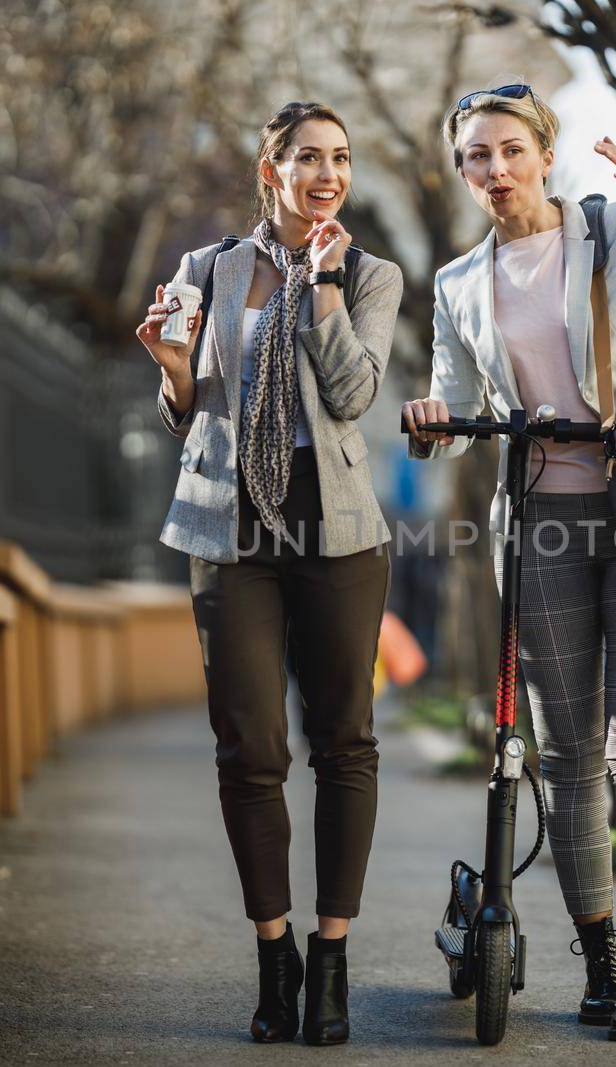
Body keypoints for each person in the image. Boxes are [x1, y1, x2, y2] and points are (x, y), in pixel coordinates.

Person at [401, 83, 616, 1041]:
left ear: (544, 152)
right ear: (461, 170)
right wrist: (430, 425)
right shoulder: (460, 282)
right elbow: (457, 411)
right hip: (539, 521)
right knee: (569, 752)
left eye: (511, 150)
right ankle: (600, 960)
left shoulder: (614, 230)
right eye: (476, 157)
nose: (495, 170)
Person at [137, 101, 402, 1046]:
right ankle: (274, 949)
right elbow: (190, 407)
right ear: (270, 171)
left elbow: (355, 394)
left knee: (344, 741)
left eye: (340, 156)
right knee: (249, 748)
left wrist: (325, 288)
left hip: (336, 529)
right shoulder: (207, 270)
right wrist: (172, 370)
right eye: (306, 158)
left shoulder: (371, 275)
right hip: (226, 528)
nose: (326, 173)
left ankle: (331, 957)